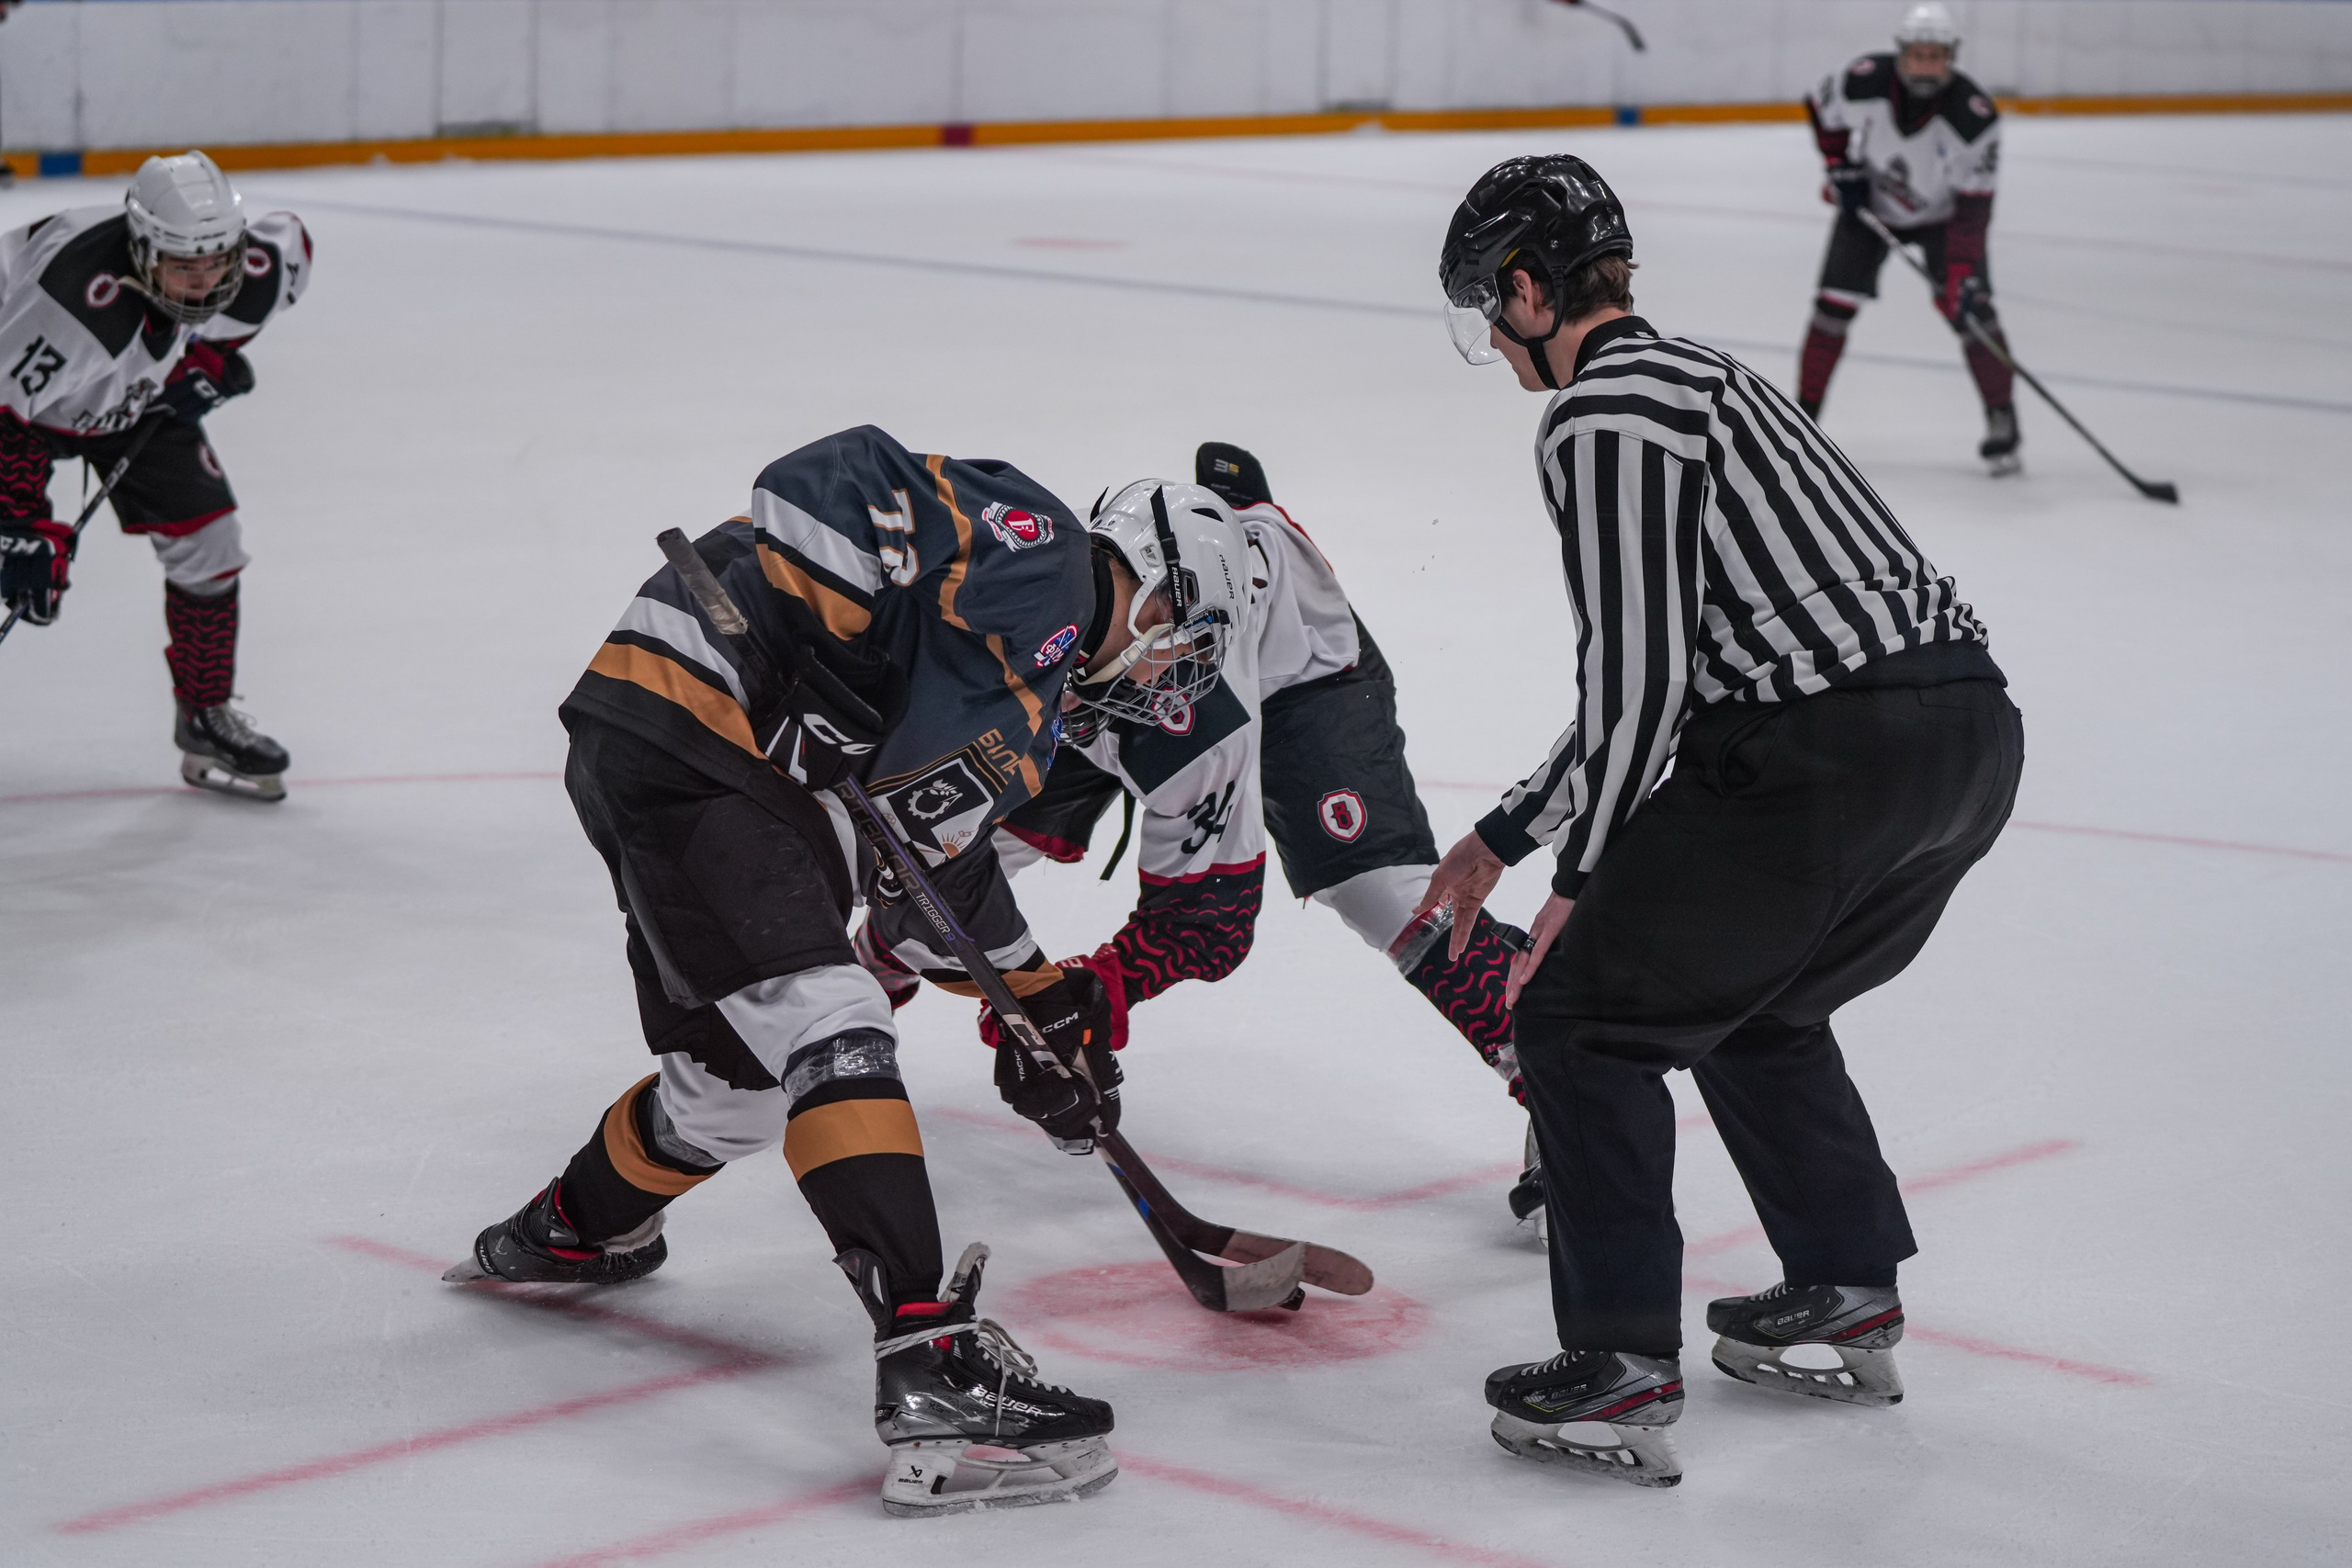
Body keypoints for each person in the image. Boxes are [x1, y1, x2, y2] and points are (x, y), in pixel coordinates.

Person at [1430, 153, 2024, 1488]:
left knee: (1578, 1022)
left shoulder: (1599, 413)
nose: (1496, 343)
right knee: (1756, 1002)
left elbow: (1639, 680)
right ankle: (1843, 1286)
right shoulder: (1710, 376)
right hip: (1969, 739)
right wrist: (1504, 836)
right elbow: (1692, 672)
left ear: (1529, 291)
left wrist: (1574, 881)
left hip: (1826, 753)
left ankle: (1618, 1363)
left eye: (1489, 312)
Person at [444, 426, 1123, 1517]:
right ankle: (929, 1363)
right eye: (1182, 639)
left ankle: (570, 1229)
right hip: (696, 715)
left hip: (714, 781)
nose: (1164, 669)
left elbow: (928, 880)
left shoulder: (1029, 726)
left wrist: (1038, 1011)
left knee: (736, 1095)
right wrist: (826, 649)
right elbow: (833, 479)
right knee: (830, 1023)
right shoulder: (1048, 556)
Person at [853, 444, 1528, 1140]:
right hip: (1114, 660)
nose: (1172, 679)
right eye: (1171, 636)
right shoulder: (1038, 581)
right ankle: (865, 974)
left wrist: (1093, 994)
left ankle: (1553, 1063)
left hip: (1296, 676)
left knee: (1379, 891)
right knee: (961, 832)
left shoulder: (1196, 711)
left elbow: (1210, 921)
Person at [0, 150, 311, 797]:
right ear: (141, 250)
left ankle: (204, 715)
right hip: (18, 407)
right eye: (184, 267)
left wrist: (203, 363)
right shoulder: (74, 302)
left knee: (212, 543)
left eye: (217, 262)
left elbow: (294, 243)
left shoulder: (252, 271)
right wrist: (20, 525)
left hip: (127, 402)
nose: (205, 282)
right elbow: (5, 414)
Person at [1799, 2, 2019, 475]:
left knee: (1974, 313)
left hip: (1944, 220)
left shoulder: (1974, 117)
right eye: (1917, 55)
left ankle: (2002, 419)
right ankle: (1800, 423)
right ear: (1901, 53)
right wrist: (1839, 165)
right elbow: (1820, 107)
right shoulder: (1863, 80)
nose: (1925, 66)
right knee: (1831, 310)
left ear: (1951, 57)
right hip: (1871, 207)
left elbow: (1974, 208)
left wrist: (1960, 271)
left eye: (1936, 57)